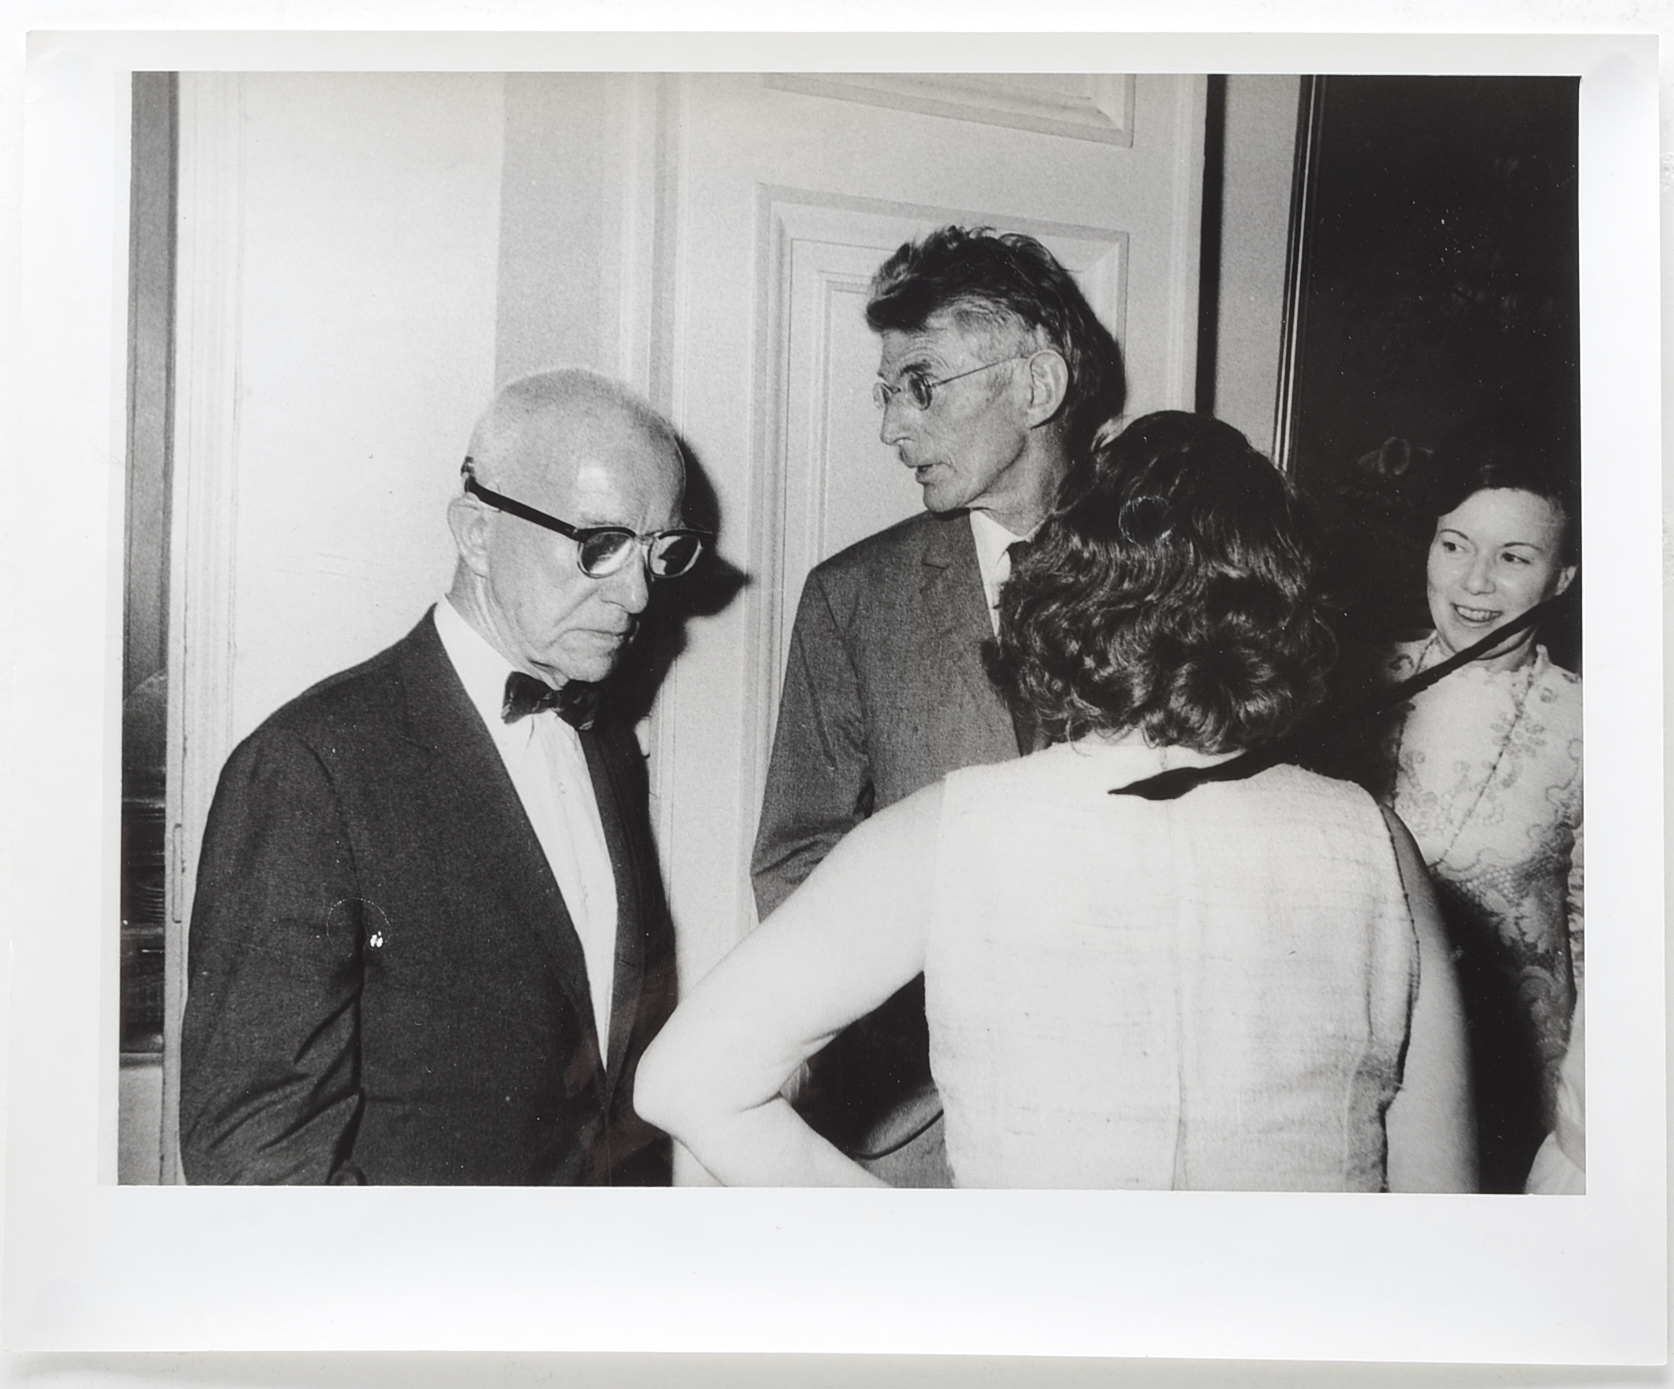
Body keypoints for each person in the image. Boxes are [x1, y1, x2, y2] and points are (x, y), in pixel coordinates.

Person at [640, 412, 1475, 1191]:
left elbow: (685, 1082)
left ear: (1064, 585)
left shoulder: (951, 829)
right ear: (1285, 610)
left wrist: (919, 1261)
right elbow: (1442, 1211)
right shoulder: (1374, 840)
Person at [180, 369, 705, 1185]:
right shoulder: (311, 766)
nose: (637, 594)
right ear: (478, 533)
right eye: (599, 546)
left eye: (660, 552)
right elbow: (257, 1153)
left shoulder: (601, 744)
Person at [749, 225, 1126, 1184]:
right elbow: (799, 859)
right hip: (921, 1130)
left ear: (1036, 387)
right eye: (887, 392)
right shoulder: (853, 598)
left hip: (1127, 1107)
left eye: (922, 384)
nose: (891, 427)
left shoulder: (1168, 579)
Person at [1350, 436, 1581, 1193]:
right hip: (1366, 1073)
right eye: (1455, 544)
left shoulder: (1597, 722)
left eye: (1514, 557)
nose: (1474, 580)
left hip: (1515, 1102)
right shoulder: (1347, 680)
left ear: (1563, 577)